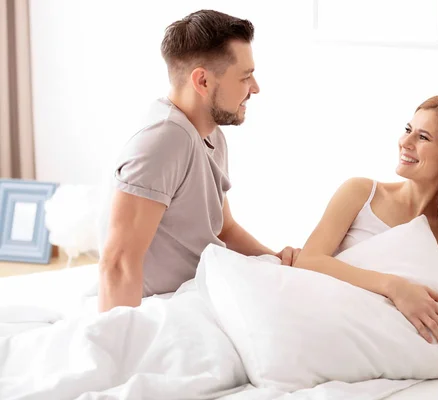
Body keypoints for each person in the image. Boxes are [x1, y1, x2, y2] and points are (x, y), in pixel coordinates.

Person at [97, 10, 299, 313]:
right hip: (164, 308)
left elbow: (223, 228)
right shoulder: (164, 141)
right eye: (245, 76)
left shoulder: (209, 134)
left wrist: (274, 260)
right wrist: (120, 348)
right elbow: (118, 263)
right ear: (202, 80)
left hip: (207, 291)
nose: (255, 87)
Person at [294, 95, 438, 372]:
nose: (405, 142)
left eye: (423, 137)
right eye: (408, 130)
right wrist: (395, 287)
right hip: (327, 319)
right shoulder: (361, 193)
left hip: (385, 348)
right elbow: (309, 260)